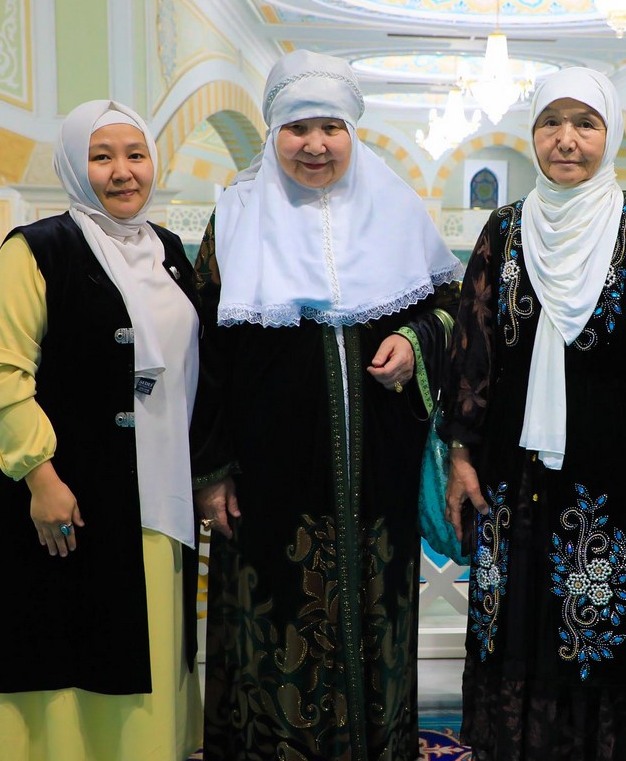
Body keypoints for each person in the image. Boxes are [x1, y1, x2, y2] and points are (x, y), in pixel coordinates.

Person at [190, 50, 462, 761]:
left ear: (352, 132)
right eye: (297, 128)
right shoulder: (235, 217)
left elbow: (453, 310)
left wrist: (414, 340)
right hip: (268, 480)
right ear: (273, 133)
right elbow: (204, 359)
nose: (315, 145)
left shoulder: (396, 208)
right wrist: (212, 470)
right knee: (276, 620)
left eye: (331, 128)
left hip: (379, 474)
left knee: (377, 617)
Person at [441, 67, 626, 761]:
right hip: (510, 465)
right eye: (551, 122)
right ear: (533, 135)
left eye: (586, 123)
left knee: (601, 619)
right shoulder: (505, 227)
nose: (567, 140)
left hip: (610, 466)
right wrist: (460, 455)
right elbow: (473, 347)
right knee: (515, 613)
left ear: (609, 136)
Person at [0, 100, 202, 760]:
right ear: (74, 166)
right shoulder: (38, 249)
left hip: (157, 494)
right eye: (102, 157)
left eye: (136, 155)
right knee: (64, 642)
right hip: (69, 493)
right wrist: (40, 477)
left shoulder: (169, 252)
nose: (123, 172)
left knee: (144, 642)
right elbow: (2, 371)